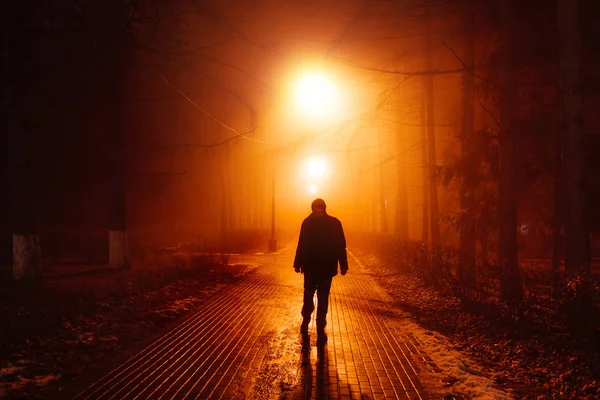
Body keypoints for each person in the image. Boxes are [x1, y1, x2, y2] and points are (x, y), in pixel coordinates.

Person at [294, 198, 348, 345]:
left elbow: (340, 246)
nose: (316, 214)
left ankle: (317, 324)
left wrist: (343, 265)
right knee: (312, 297)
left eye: (318, 210)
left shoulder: (324, 223)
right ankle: (308, 321)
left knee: (319, 298)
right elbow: (302, 244)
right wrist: (297, 263)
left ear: (323, 209)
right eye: (314, 211)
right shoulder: (328, 223)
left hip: (321, 268)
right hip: (317, 268)